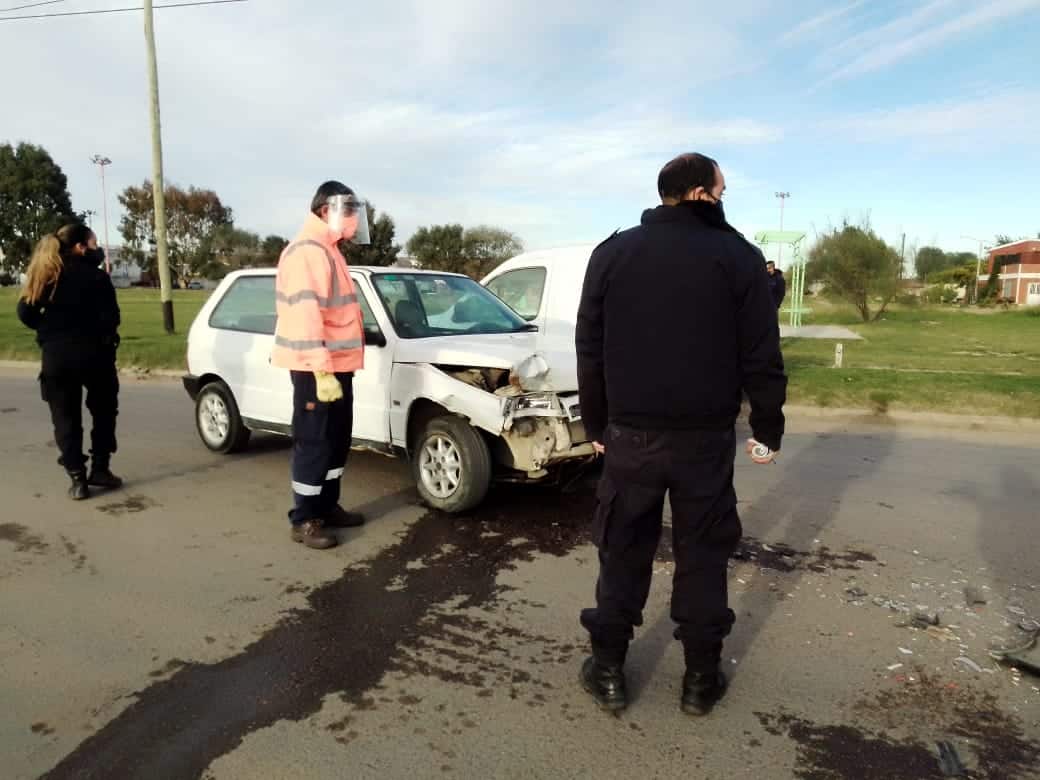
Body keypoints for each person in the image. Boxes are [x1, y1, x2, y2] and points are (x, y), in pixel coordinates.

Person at [575, 153, 787, 716]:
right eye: (721, 189)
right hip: (704, 442)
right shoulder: (738, 257)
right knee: (702, 556)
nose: (725, 197)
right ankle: (699, 679)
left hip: (630, 438)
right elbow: (762, 354)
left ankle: (609, 671)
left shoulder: (613, 253)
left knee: (623, 551)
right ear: (699, 194)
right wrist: (768, 426)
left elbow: (588, 349)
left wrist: (595, 425)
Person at [272, 181, 371, 550]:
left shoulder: (329, 251)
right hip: (318, 367)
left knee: (335, 440)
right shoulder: (307, 252)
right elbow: (304, 315)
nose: (353, 221)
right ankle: (305, 518)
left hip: (336, 365)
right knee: (314, 442)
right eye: (349, 212)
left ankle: (327, 507)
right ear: (326, 211)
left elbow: (337, 313)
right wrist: (320, 367)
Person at [16, 223, 123, 500]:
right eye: (94, 243)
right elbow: (112, 318)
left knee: (65, 419)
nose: (97, 249)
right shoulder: (98, 278)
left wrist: (49, 331)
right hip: (95, 356)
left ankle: (77, 479)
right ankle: (100, 468)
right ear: (80, 247)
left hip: (57, 357)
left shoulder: (46, 275)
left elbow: (25, 312)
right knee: (103, 412)